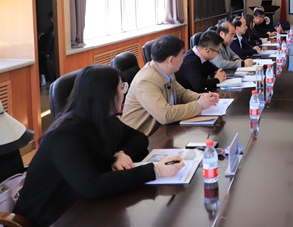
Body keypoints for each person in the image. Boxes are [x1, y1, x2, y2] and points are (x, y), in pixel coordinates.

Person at [13, 65, 185, 227]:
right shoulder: (64, 135)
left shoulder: (102, 119)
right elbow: (92, 185)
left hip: (85, 204)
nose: (124, 92)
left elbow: (140, 138)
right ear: (106, 95)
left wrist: (121, 153)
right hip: (51, 217)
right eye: (121, 88)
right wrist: (155, 171)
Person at [122, 35, 220, 136]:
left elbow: (182, 94)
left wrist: (202, 97)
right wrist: (199, 105)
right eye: (182, 54)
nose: (183, 58)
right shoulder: (146, 81)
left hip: (163, 130)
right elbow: (165, 115)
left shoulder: (166, 71)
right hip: (144, 137)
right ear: (171, 60)